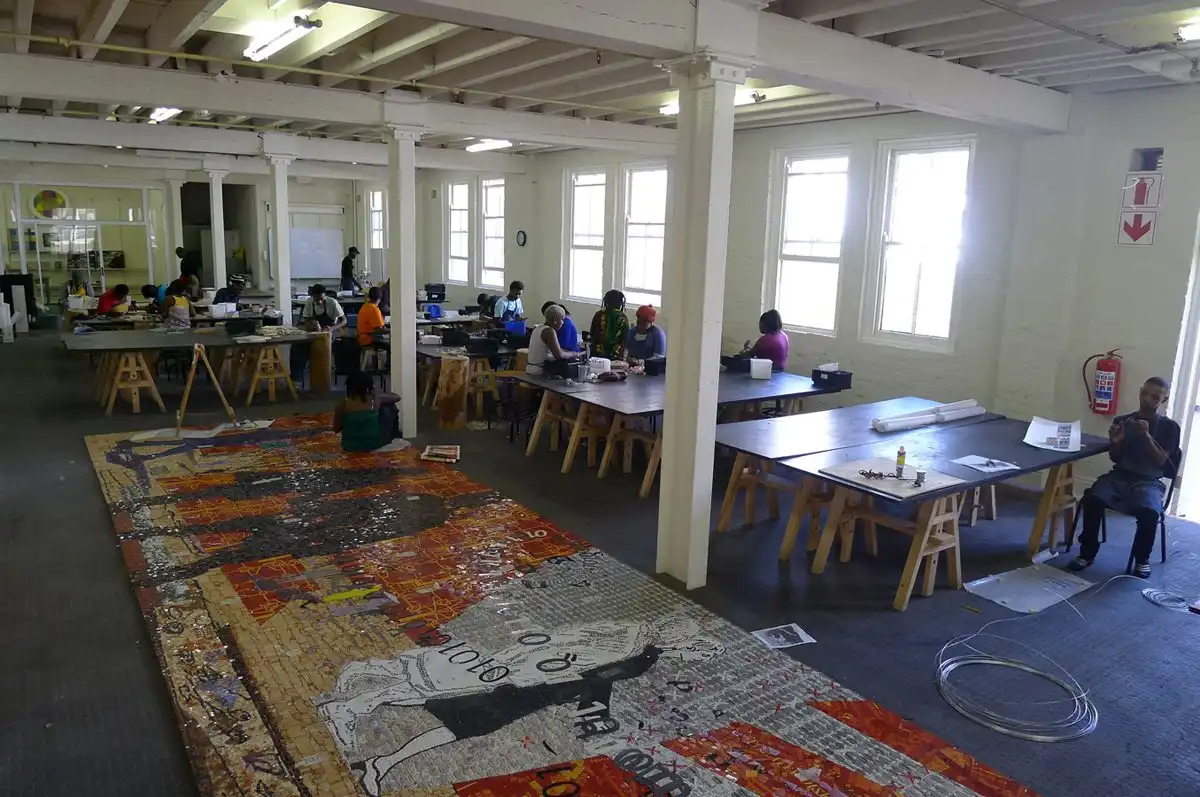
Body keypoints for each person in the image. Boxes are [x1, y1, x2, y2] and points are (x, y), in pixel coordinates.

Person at [316, 616, 723, 797]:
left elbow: (600, 678)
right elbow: (571, 647)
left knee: (460, 722)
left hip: (537, 691)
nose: (692, 658)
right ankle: (355, 704)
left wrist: (592, 708)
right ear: (681, 639)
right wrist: (518, 663)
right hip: (524, 678)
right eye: (693, 651)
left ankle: (377, 761)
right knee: (447, 695)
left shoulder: (648, 650)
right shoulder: (632, 637)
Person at [1066, 377, 1181, 578]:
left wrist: (1145, 436)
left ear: (1163, 400)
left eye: (1154, 397)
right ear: (1139, 392)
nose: (1147, 400)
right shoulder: (1123, 420)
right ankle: (1087, 553)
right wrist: (1115, 442)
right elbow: (1116, 458)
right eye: (1145, 393)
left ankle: (1142, 559)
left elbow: (1160, 462)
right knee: (1092, 498)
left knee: (1149, 513)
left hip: (1149, 481)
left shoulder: (1169, 427)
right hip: (1120, 476)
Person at [333, 372, 400, 453]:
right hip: (374, 444)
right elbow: (397, 397)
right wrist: (379, 395)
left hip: (350, 446)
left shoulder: (344, 402)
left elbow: (336, 429)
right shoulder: (374, 399)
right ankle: (395, 434)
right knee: (389, 407)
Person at [526, 304, 580, 375]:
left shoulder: (538, 328)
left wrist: (570, 352)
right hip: (539, 372)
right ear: (555, 320)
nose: (563, 323)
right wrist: (573, 354)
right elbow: (559, 355)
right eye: (562, 319)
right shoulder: (550, 331)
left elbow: (556, 349)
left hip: (531, 369)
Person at [589, 289, 629, 360]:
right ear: (620, 303)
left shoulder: (598, 315)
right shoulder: (623, 318)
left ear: (606, 301)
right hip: (615, 356)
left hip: (597, 354)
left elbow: (592, 333)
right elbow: (625, 339)